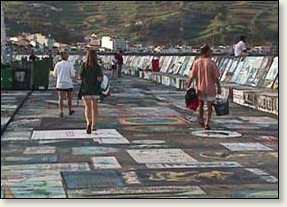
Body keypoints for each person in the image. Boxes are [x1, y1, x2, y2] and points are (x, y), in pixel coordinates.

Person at [185, 45, 221, 130]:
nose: (211, 53)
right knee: (209, 106)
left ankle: (201, 119)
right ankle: (207, 122)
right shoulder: (211, 63)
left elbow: (192, 76)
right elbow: (215, 77)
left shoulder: (197, 62)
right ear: (206, 52)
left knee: (201, 104)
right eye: (210, 51)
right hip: (210, 88)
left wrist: (188, 85)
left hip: (200, 87)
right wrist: (219, 87)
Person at [80, 50, 103, 134]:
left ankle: (88, 123)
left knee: (87, 107)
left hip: (86, 89)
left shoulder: (84, 65)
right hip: (95, 89)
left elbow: (80, 77)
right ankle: (94, 124)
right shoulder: (97, 66)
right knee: (95, 107)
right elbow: (100, 78)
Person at [53, 51, 75, 117]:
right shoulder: (70, 64)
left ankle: (61, 111)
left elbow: (54, 74)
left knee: (60, 98)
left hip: (60, 83)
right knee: (69, 98)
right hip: (68, 83)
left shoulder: (58, 64)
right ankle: (70, 110)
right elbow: (73, 74)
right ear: (66, 56)